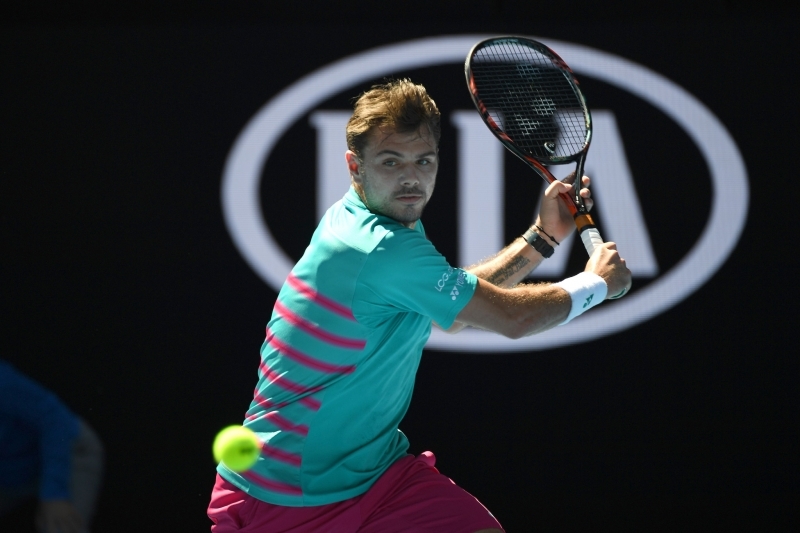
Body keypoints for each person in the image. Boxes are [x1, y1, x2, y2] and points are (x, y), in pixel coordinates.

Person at [207, 79, 631, 532]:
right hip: (283, 494)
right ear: (355, 166)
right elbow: (514, 318)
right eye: (391, 162)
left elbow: (454, 312)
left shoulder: (384, 217)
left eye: (423, 161)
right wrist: (597, 283)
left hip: (378, 474)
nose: (411, 178)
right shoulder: (377, 247)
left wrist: (542, 238)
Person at [0, 360, 104, 533]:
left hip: (69, 451)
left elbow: (54, 421)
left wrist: (55, 493)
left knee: (61, 526)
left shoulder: (3, 382)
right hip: (12, 471)